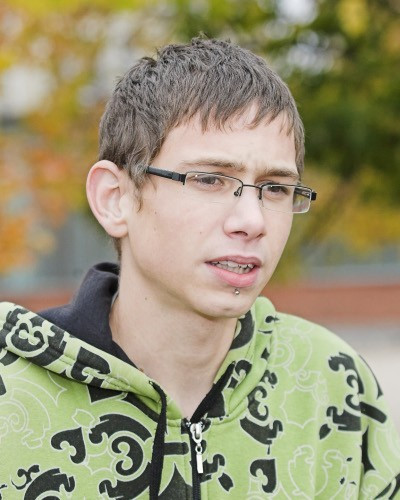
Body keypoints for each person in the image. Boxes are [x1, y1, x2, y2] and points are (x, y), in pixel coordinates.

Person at [0, 37, 399, 500]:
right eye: (210, 179)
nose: (252, 221)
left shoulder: (334, 385)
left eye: (274, 188)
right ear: (115, 198)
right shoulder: (11, 393)